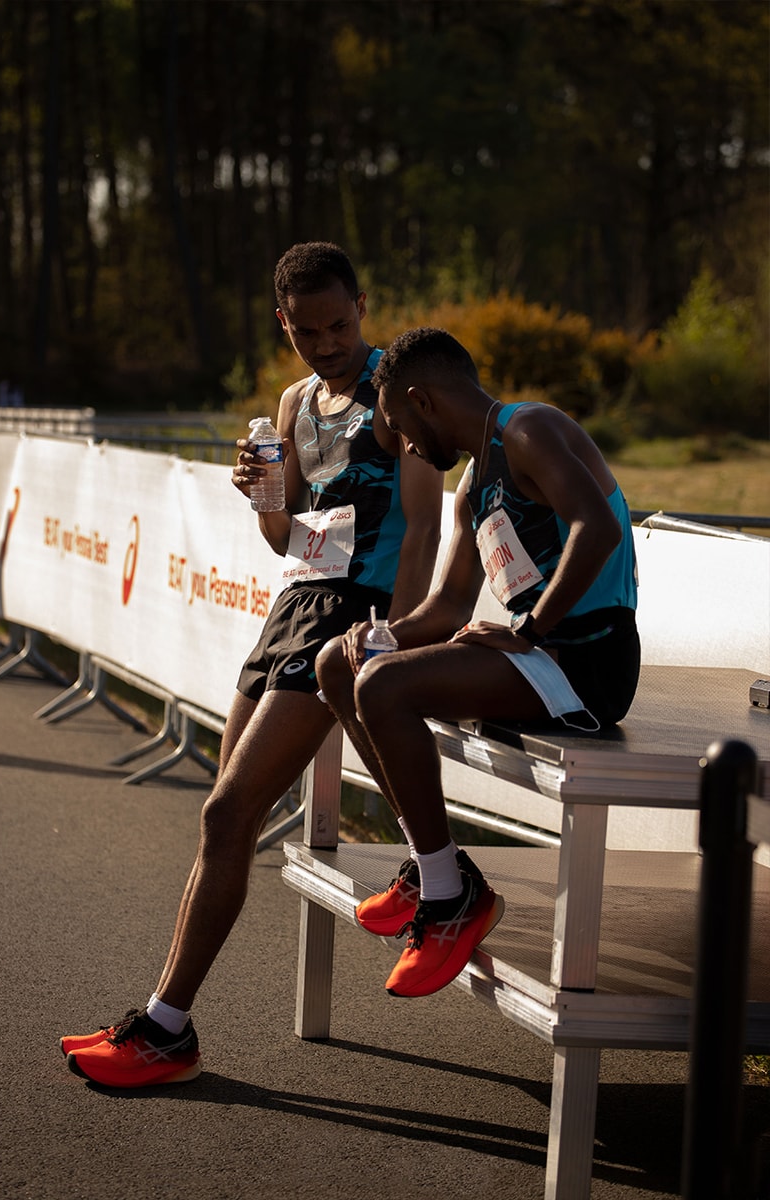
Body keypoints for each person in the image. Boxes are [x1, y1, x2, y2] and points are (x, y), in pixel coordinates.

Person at [61, 244, 444, 1087]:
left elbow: (423, 523)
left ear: (363, 306)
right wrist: (263, 494)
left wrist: (399, 633)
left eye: (340, 324)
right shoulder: (293, 402)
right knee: (219, 814)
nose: (327, 342)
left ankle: (166, 1028)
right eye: (307, 331)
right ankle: (167, 1028)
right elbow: (285, 535)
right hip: (292, 607)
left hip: (352, 617)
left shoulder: (399, 389)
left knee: (231, 810)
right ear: (285, 324)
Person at [316, 326, 640, 1000]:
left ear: (422, 401)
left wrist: (529, 626)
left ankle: (450, 899)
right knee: (340, 666)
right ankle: (433, 869)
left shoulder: (528, 429)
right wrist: (378, 634)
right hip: (537, 653)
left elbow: (597, 528)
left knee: (386, 687)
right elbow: (447, 605)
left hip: (587, 660)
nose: (404, 444)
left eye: (400, 425)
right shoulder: (471, 482)